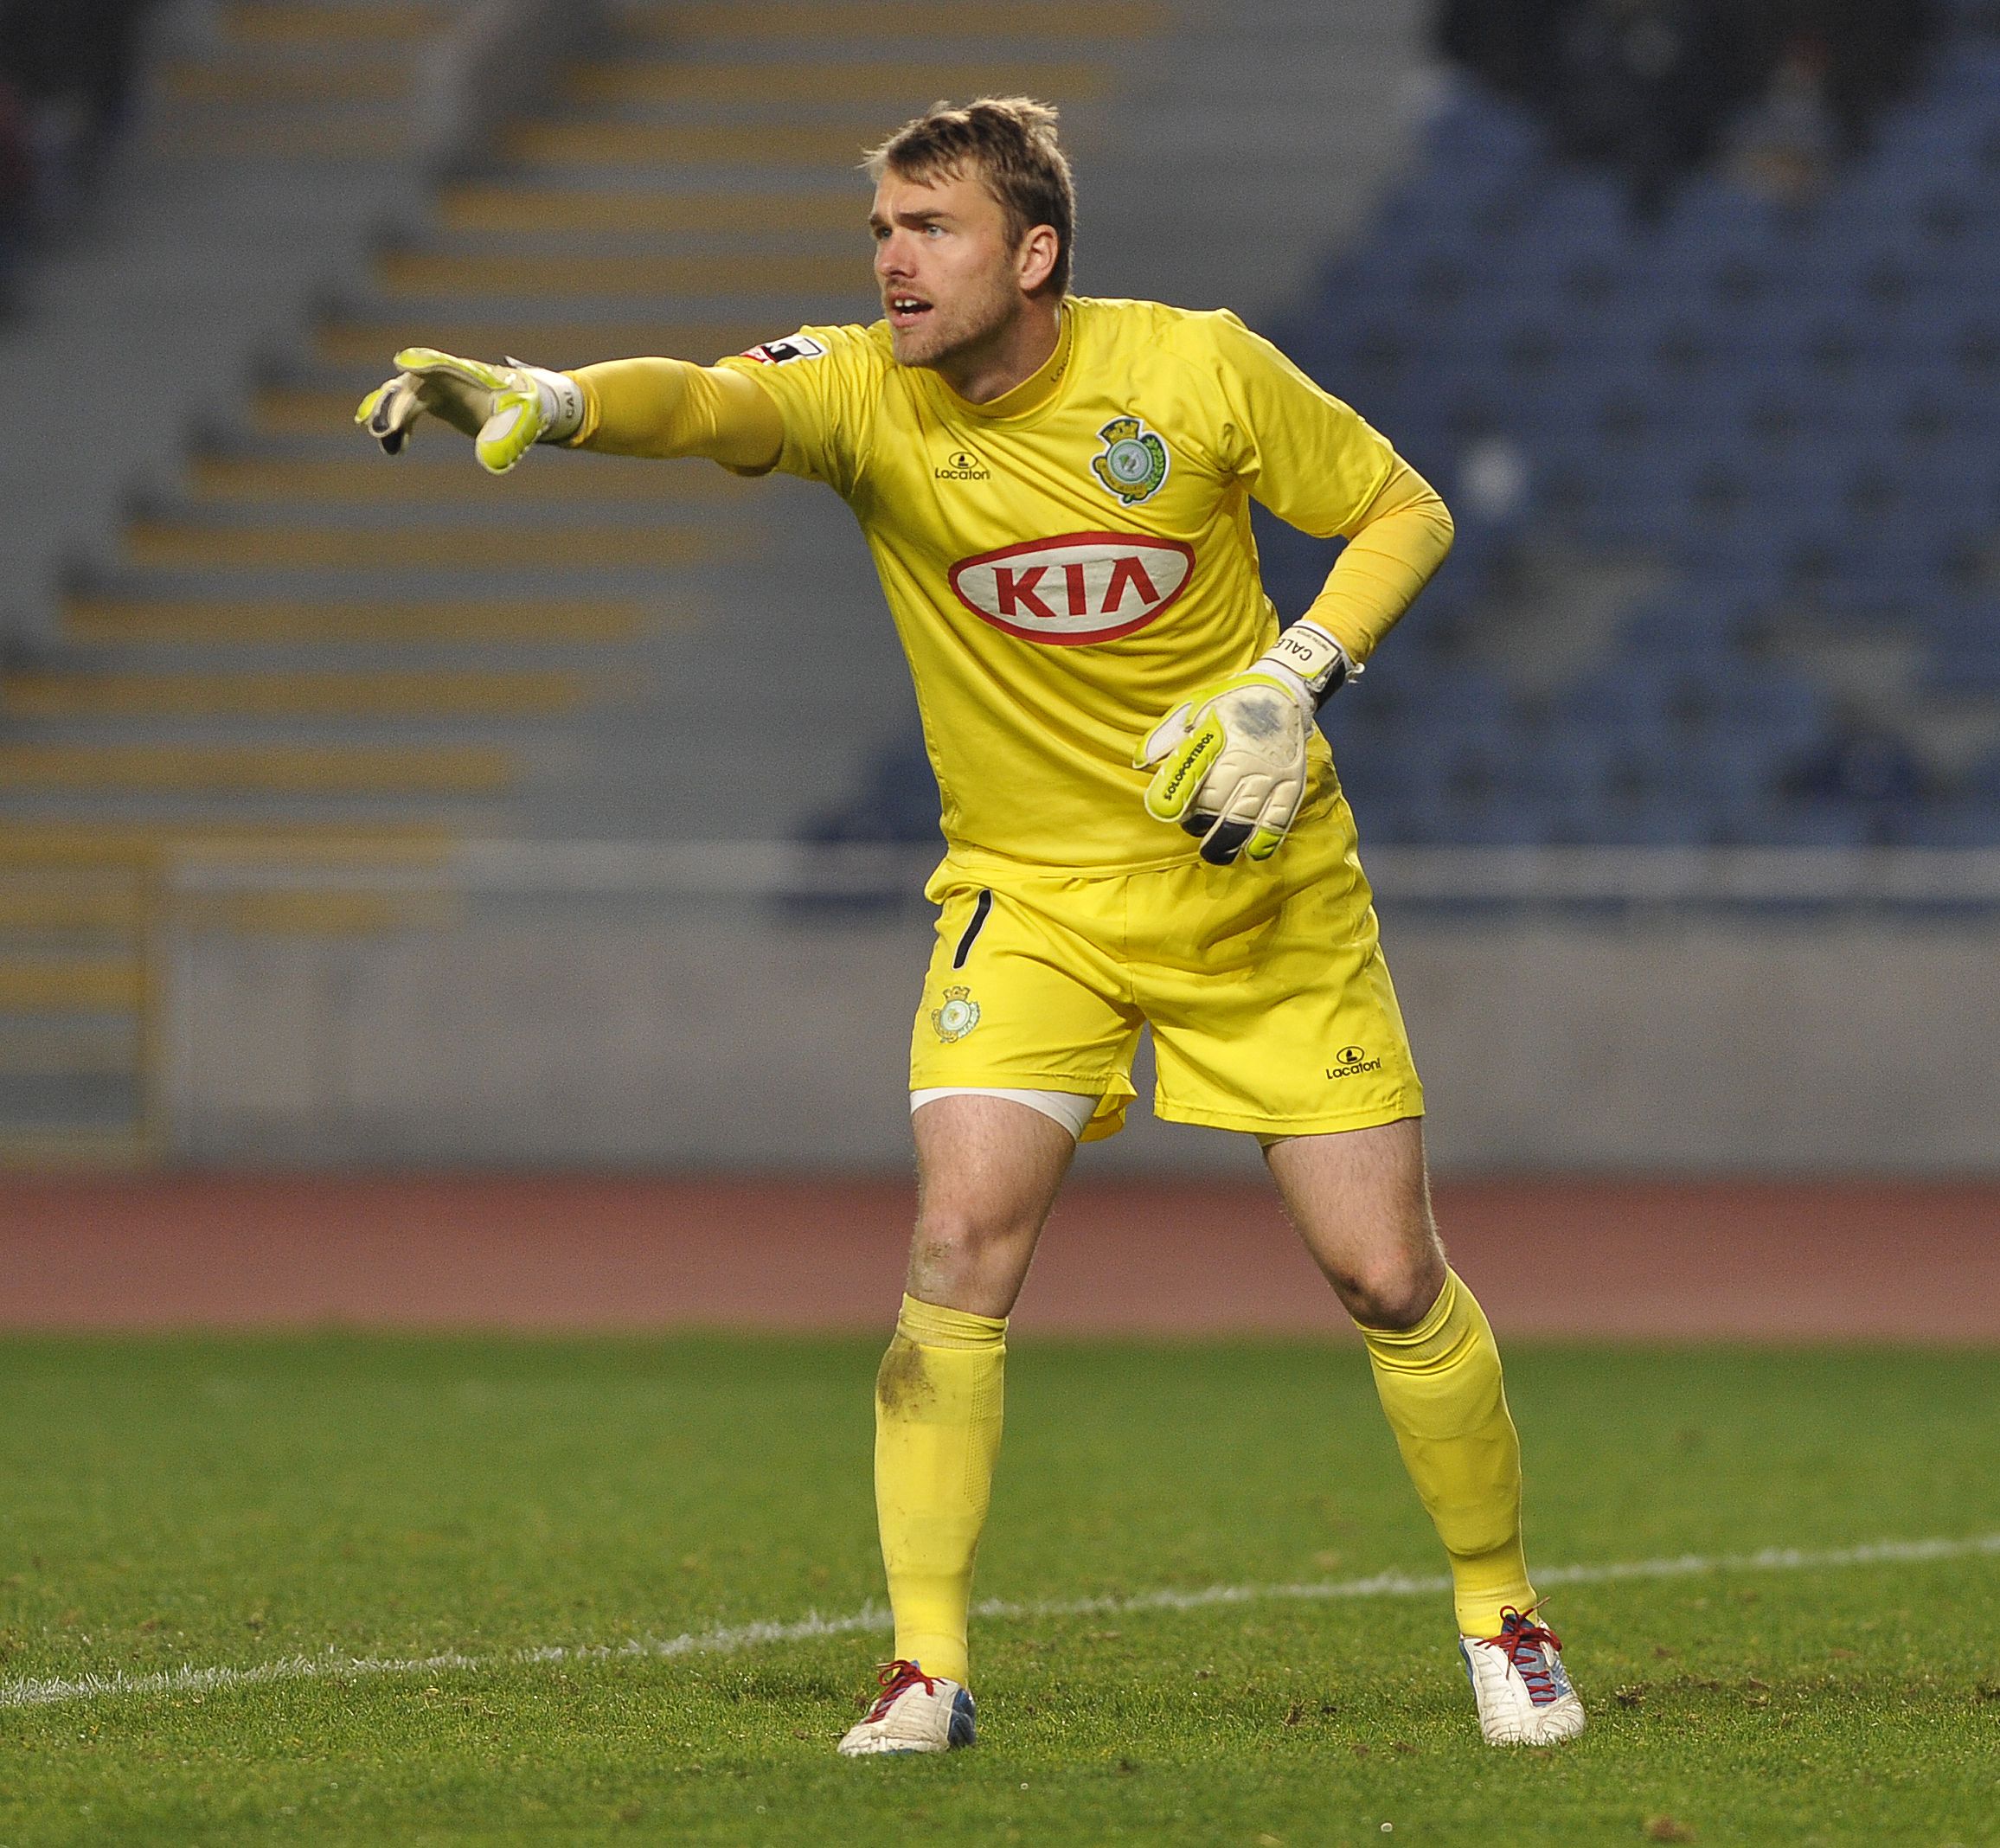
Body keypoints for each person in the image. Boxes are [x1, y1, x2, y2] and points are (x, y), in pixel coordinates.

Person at [356, 97, 1586, 1756]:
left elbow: (1405, 510)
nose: (890, 260)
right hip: (1027, 902)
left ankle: (1502, 1613)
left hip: (1255, 884)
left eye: (927, 229)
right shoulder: (865, 387)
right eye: (880, 228)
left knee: (1383, 1275)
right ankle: (925, 1670)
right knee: (955, 1249)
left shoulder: (1196, 369)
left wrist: (1291, 680)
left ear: (1035, 253)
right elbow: (711, 401)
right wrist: (560, 398)